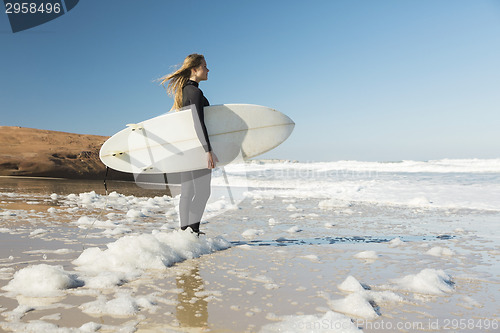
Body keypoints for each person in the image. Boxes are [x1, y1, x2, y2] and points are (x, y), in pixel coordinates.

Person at [159, 54, 217, 235]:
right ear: (194, 69)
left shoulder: (184, 91)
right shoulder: (196, 93)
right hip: (197, 150)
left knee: (187, 192)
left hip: (186, 150)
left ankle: (185, 231)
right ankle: (193, 230)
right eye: (205, 66)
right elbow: (198, 123)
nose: (208, 70)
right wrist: (208, 150)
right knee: (202, 192)